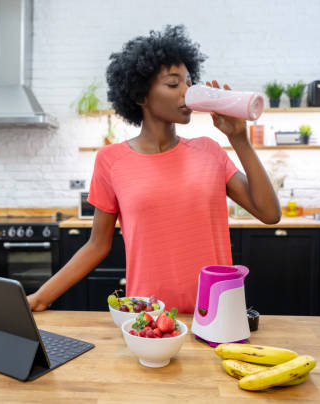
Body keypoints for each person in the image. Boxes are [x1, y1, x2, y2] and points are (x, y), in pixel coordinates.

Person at [28, 25, 280, 313]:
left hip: (217, 314)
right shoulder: (111, 160)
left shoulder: (209, 150)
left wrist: (239, 139)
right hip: (149, 319)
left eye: (189, 82)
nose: (186, 92)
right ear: (140, 96)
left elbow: (269, 213)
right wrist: (41, 297)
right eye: (174, 84)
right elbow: (97, 245)